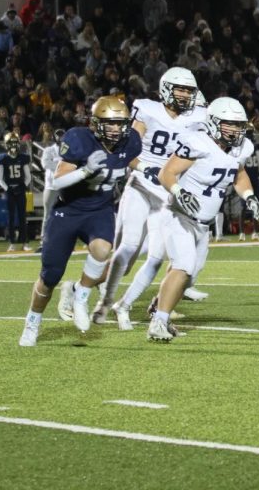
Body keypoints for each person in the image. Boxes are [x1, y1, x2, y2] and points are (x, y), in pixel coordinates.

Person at [18, 96, 140, 346]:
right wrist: (85, 171)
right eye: (111, 123)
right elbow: (57, 182)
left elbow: (135, 162)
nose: (116, 129)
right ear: (96, 123)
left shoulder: (130, 142)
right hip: (68, 211)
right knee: (49, 276)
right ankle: (33, 320)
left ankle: (81, 296)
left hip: (100, 210)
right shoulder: (79, 139)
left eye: (120, 123)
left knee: (103, 249)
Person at [147, 98, 259, 342]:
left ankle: (159, 307)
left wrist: (249, 196)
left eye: (239, 125)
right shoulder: (198, 143)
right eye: (229, 124)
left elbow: (239, 175)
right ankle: (158, 322)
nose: (235, 130)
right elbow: (166, 172)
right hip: (179, 214)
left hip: (203, 223)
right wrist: (179, 192)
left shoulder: (242, 148)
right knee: (184, 265)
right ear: (214, 123)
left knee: (190, 274)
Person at [98, 67, 204, 328]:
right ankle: (95, 292)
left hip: (167, 194)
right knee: (129, 246)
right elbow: (129, 149)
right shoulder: (148, 110)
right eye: (180, 89)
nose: (185, 95)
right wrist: (143, 167)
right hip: (141, 185)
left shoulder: (198, 117)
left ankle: (124, 304)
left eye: (189, 91)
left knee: (157, 257)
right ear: (166, 89)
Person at [0, 133, 31, 252]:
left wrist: (22, 187)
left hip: (20, 190)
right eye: (11, 143)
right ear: (6, 145)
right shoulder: (3, 158)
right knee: (10, 217)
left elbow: (28, 177)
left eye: (16, 142)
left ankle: (24, 242)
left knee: (22, 216)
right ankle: (12, 242)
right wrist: (8, 189)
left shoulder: (23, 157)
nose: (14, 145)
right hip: (9, 191)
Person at [37, 129, 65, 252]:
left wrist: (59, 165)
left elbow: (74, 164)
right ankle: (44, 241)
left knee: (66, 214)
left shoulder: (69, 150)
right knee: (47, 214)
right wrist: (61, 166)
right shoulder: (49, 150)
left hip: (65, 185)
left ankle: (65, 241)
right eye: (58, 135)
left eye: (62, 135)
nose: (60, 138)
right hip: (51, 185)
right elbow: (45, 164)